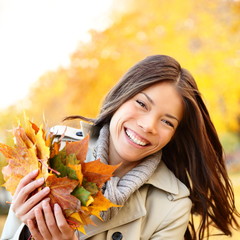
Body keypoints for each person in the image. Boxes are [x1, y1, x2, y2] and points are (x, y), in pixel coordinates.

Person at [1, 55, 239, 240]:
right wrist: (24, 226)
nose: (148, 125)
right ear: (122, 97)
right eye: (142, 104)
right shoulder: (55, 150)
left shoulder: (172, 204)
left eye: (167, 121)